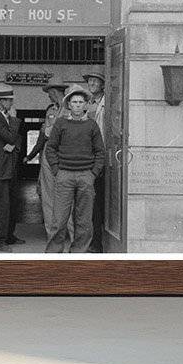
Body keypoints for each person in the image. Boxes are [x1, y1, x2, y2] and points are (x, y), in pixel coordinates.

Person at [44, 84, 105, 253]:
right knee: (59, 220)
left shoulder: (92, 126)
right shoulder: (61, 124)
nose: (77, 105)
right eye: (74, 102)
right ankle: (53, 255)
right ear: (69, 105)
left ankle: (78, 254)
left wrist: (93, 174)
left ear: (85, 105)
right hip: (65, 176)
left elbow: (100, 151)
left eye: (80, 102)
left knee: (84, 221)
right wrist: (57, 170)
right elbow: (51, 148)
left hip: (86, 176)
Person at [23, 80, 68, 241]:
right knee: (48, 195)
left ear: (55, 91)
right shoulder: (50, 109)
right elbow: (44, 135)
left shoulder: (70, 108)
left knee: (67, 195)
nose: (48, 96)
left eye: (49, 92)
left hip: (65, 155)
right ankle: (53, 233)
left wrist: (50, 130)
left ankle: (68, 231)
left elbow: (52, 132)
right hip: (49, 156)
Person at [0, 85, 23, 251]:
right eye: (9, 100)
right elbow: (9, 136)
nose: (12, 103)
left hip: (9, 166)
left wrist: (12, 144)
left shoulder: (4, 116)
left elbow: (17, 139)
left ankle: (8, 236)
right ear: (1, 102)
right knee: (2, 207)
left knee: (12, 204)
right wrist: (14, 121)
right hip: (1, 169)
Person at [83, 69, 107, 252]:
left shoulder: (106, 103)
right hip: (88, 156)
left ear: (102, 85)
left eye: (95, 81)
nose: (91, 84)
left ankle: (96, 243)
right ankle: (90, 241)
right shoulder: (89, 103)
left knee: (97, 202)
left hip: (100, 157)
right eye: (90, 80)